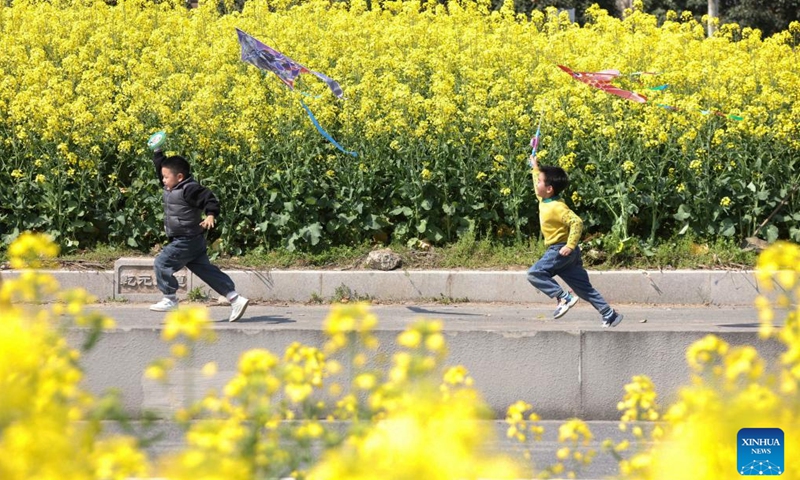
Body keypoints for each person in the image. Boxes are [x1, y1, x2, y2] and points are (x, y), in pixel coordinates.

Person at [147, 139, 249, 322]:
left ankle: (170, 298)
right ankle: (235, 298)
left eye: (166, 177)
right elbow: (160, 168)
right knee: (205, 271)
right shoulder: (171, 185)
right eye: (162, 177)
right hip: (192, 239)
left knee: (161, 263)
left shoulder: (189, 189)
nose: (162, 180)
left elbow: (209, 199)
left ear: (179, 177)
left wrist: (210, 215)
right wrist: (157, 150)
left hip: (186, 239)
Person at [527, 154, 623, 328]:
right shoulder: (544, 198)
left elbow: (577, 222)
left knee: (535, 273)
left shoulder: (557, 207)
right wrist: (535, 166)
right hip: (568, 254)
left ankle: (563, 297)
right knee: (583, 288)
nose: (536, 184)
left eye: (539, 182)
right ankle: (609, 314)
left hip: (560, 250)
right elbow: (537, 184)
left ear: (549, 189)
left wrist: (570, 245)